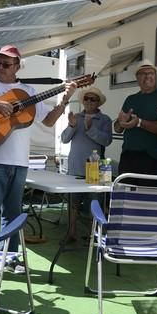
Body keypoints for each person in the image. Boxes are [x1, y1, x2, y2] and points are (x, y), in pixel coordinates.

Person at [0, 45, 76, 272]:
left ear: (17, 67)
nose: (0, 67)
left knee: (13, 213)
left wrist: (65, 100)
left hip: (20, 162)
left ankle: (10, 259)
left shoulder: (27, 91)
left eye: (6, 64)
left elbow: (49, 121)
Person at [60, 86, 112, 242]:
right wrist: (72, 126)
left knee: (95, 202)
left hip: (98, 168)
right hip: (76, 166)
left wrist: (90, 129)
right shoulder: (76, 117)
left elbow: (107, 141)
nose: (89, 102)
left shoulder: (105, 120)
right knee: (73, 202)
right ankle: (71, 233)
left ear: (98, 103)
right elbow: (64, 139)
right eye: (87, 99)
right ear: (83, 101)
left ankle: (94, 235)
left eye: (93, 99)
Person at [114, 59, 157, 177]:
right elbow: (117, 129)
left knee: (148, 195)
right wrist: (121, 122)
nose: (148, 76)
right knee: (124, 194)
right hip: (127, 156)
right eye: (144, 74)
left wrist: (138, 122)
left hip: (152, 158)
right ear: (137, 77)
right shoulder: (130, 99)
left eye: (151, 73)